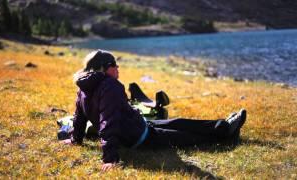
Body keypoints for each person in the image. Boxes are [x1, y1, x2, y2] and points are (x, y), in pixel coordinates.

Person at [63, 50, 247, 171]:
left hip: (139, 126)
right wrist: (109, 158)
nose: (118, 68)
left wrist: (75, 139)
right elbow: (108, 122)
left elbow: (79, 116)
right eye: (114, 65)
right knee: (186, 137)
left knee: (180, 122)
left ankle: (223, 125)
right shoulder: (110, 86)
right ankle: (226, 134)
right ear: (104, 68)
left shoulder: (85, 87)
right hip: (140, 138)